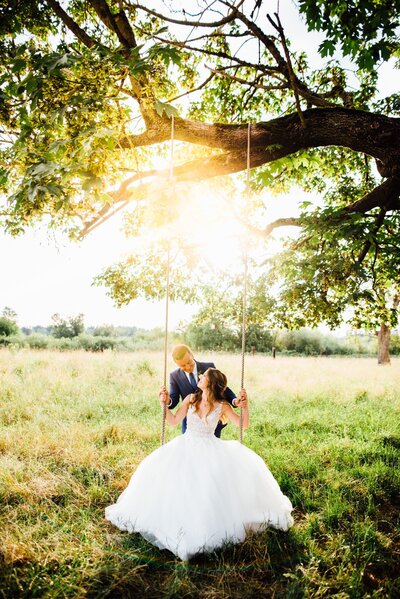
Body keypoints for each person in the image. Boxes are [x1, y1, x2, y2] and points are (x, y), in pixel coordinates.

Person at [105, 368, 294, 561]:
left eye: (203, 377)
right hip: (186, 444)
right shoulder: (191, 399)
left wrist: (245, 405)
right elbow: (172, 421)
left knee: (208, 485)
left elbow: (242, 425)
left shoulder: (222, 405)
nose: (200, 377)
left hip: (210, 447)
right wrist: (163, 404)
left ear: (210, 383)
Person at [160, 343, 240, 437]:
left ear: (192, 355)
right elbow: (173, 399)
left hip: (211, 422)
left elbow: (221, 387)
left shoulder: (208, 367)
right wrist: (167, 400)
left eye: (189, 362)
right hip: (191, 423)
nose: (188, 367)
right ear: (177, 364)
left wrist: (234, 401)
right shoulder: (174, 376)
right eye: (183, 366)